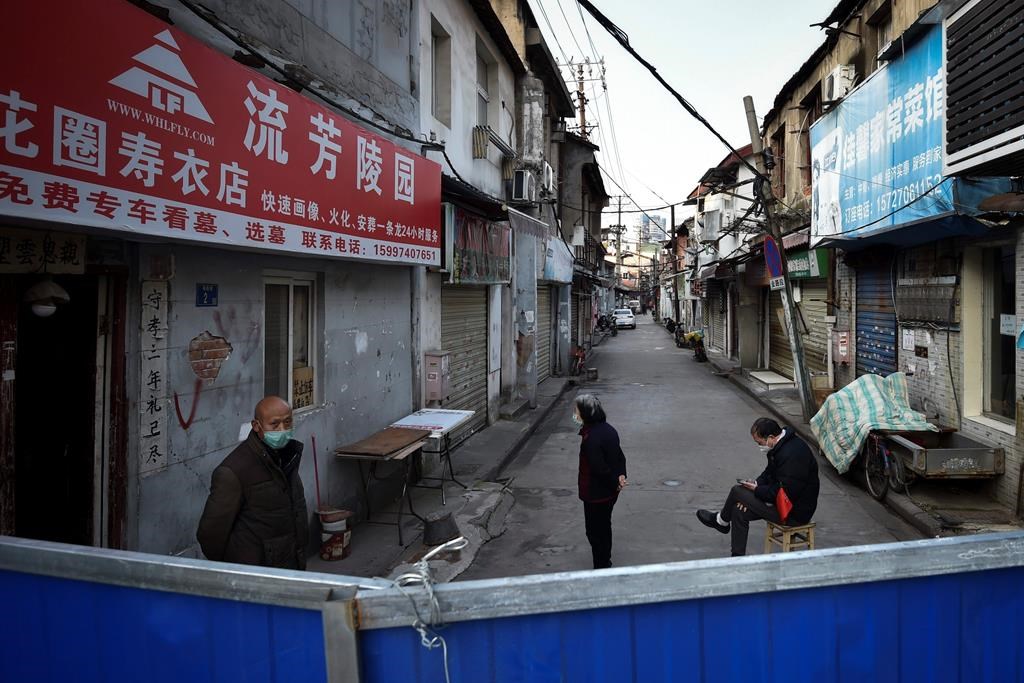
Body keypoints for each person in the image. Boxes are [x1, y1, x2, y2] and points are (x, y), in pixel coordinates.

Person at [197, 395, 309, 569]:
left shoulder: (287, 456)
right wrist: (238, 564)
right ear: (257, 426)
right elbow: (211, 535)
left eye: (287, 423)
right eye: (274, 424)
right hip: (255, 570)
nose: (282, 429)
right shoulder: (233, 471)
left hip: (290, 561)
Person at [696, 417, 819, 556]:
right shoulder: (780, 446)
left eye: (759, 442)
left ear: (771, 437)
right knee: (738, 510)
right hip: (781, 502)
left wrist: (756, 491)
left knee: (737, 491)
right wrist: (756, 483)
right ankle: (737, 558)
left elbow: (783, 494)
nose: (759, 446)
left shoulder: (792, 455)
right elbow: (769, 473)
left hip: (793, 512)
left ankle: (721, 521)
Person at [574, 394, 627, 569]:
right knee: (604, 526)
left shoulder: (592, 439)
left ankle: (602, 566)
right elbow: (620, 457)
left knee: (595, 532)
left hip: (596, 494)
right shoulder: (609, 430)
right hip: (610, 492)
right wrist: (621, 476)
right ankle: (605, 560)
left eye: (577, 410)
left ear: (586, 413)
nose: (575, 414)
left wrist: (614, 481)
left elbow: (599, 469)